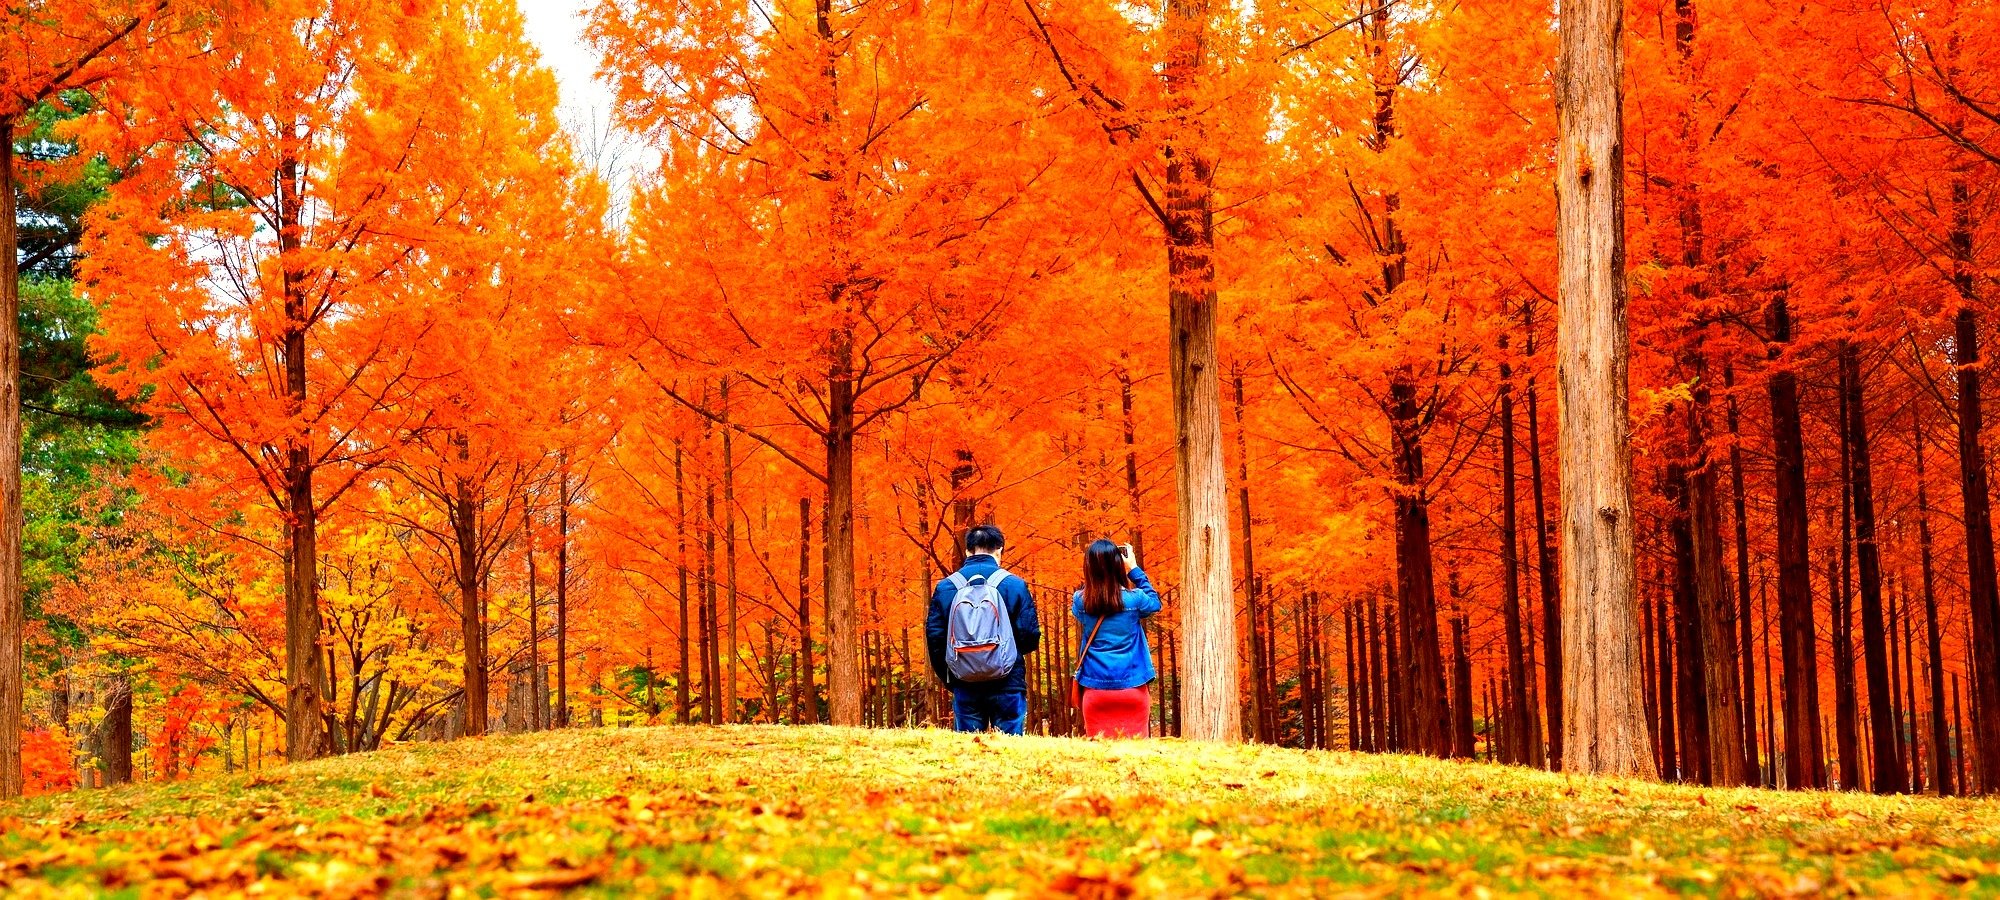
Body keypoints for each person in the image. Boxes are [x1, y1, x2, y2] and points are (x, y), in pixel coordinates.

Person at [926, 525, 1040, 734]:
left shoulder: (946, 587)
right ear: (999, 550)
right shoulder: (1014, 585)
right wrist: (1003, 655)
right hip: (1007, 682)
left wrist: (952, 676)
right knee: (1010, 747)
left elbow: (935, 639)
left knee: (968, 747)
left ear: (968, 551)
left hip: (965, 681)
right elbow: (1030, 636)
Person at [1072, 539, 1161, 738]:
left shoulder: (1080, 601)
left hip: (1095, 689)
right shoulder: (1135, 599)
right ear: (1118, 565)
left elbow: (1083, 611)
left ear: (1089, 568)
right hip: (1133, 687)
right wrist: (1134, 569)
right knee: (1137, 751)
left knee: (1098, 753)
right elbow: (1155, 603)